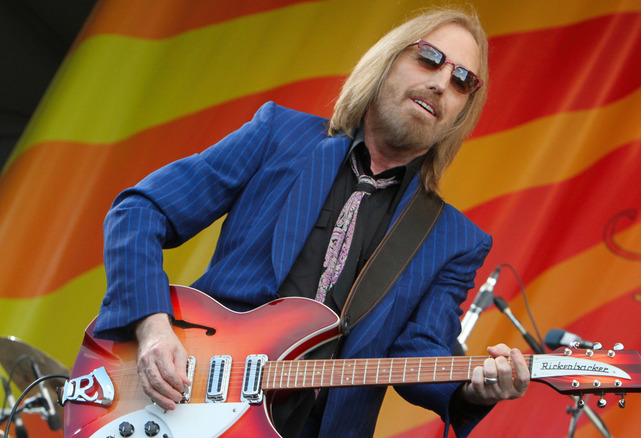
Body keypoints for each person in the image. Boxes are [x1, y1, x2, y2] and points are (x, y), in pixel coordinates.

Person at [93, 6, 530, 437]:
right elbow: (140, 210)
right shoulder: (277, 135)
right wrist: (153, 327)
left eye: (462, 81)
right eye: (429, 58)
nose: (440, 83)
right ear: (386, 61)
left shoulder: (453, 240)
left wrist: (476, 391)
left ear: (462, 112)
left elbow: (420, 353)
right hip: (183, 402)